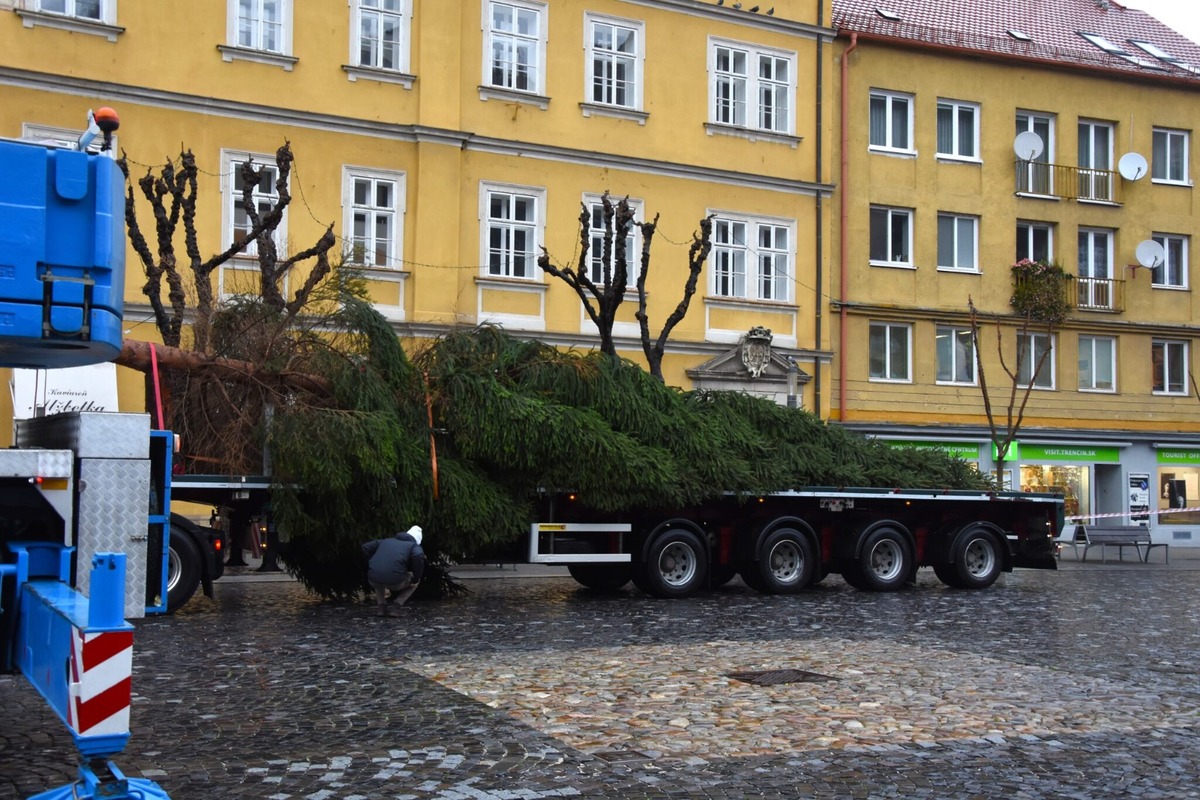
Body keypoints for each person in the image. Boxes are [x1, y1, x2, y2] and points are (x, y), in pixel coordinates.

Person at [361, 525, 425, 617]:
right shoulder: (413, 546)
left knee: (380, 576)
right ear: (417, 540)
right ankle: (396, 607)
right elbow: (418, 556)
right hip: (396, 582)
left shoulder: (385, 541)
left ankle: (381, 608)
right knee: (416, 581)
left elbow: (365, 547)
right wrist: (416, 578)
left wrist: (371, 562)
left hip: (373, 579)